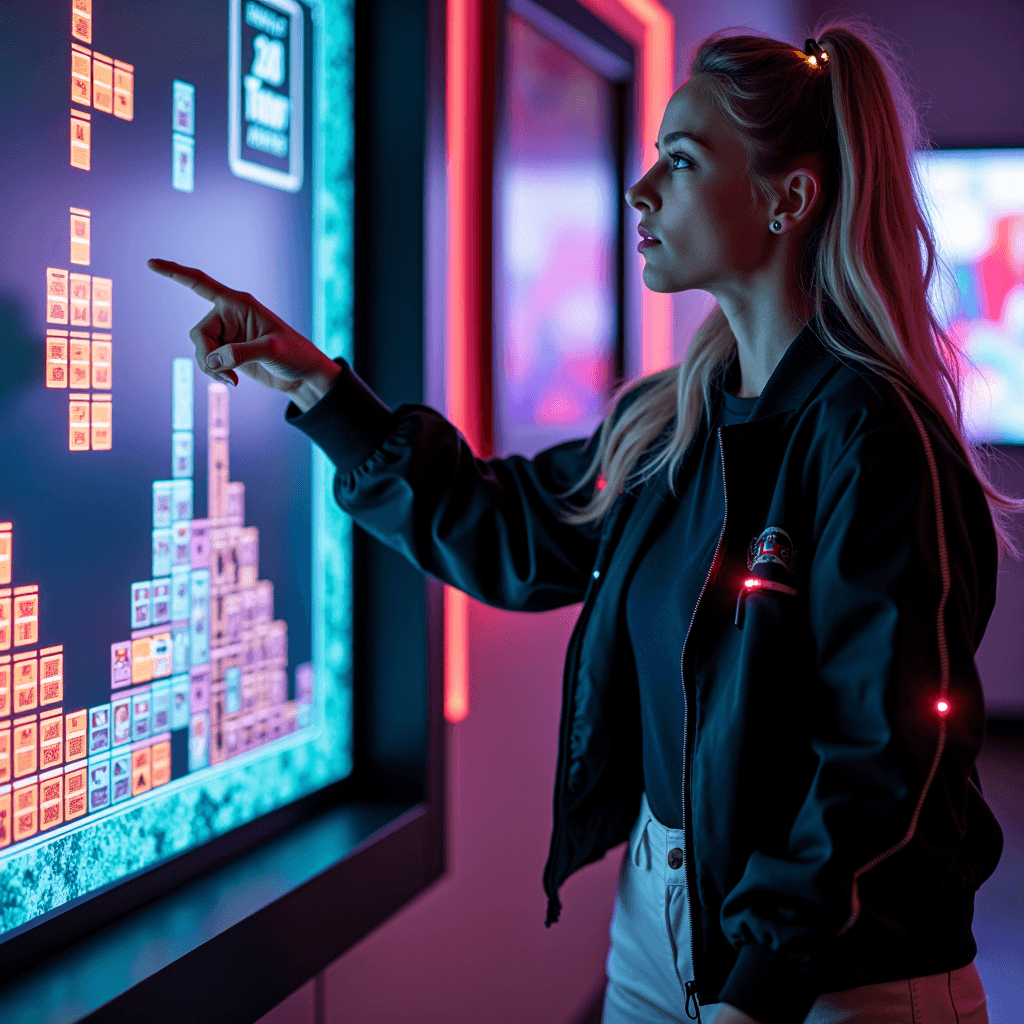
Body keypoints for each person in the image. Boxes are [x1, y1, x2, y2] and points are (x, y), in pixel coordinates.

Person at [149, 20, 1015, 1024]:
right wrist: (318, 389)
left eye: (679, 163)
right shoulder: (674, 416)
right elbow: (505, 530)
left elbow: (881, 758)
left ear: (790, 197)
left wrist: (762, 983)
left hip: (835, 968)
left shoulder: (875, 438)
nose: (639, 190)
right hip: (660, 925)